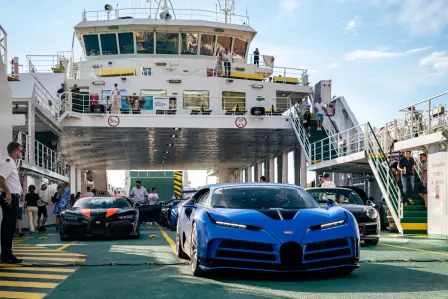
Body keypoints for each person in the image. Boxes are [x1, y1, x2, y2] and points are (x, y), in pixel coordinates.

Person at [0, 142, 24, 264]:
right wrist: (8, 193)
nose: (22, 152)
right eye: (21, 150)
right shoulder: (8, 163)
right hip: (9, 198)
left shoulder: (12, 164)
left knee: (9, 227)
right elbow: (0, 178)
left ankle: (7, 254)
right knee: (8, 227)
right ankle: (6, 255)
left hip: (13, 197)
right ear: (15, 151)